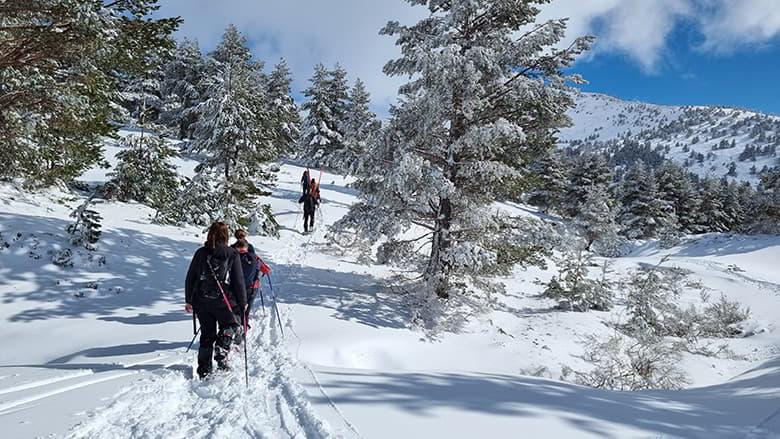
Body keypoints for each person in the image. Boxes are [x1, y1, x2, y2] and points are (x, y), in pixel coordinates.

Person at [185, 222, 247, 379]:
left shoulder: (201, 253)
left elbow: (191, 277)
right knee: (231, 325)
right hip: (222, 300)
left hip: (202, 300)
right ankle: (222, 348)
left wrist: (189, 300)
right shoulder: (231, 253)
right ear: (226, 235)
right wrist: (242, 302)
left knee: (206, 334)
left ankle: (204, 370)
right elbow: (238, 281)